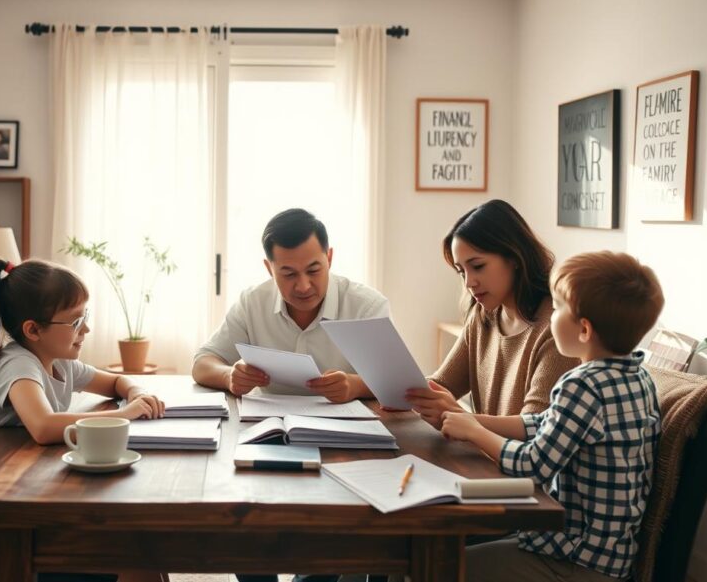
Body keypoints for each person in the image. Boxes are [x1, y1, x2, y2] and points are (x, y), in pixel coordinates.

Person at [441, 251, 664, 581]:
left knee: (436, 565)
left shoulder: (582, 385)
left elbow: (533, 466)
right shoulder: (637, 378)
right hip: (609, 557)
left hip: (573, 561)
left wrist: (475, 433)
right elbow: (547, 425)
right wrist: (473, 421)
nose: (551, 316)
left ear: (584, 330)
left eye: (558, 309)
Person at [0, 258, 168, 582]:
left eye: (85, 317)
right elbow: (44, 426)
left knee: (146, 544)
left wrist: (134, 391)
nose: (86, 330)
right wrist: (123, 414)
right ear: (33, 330)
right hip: (3, 521)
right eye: (75, 322)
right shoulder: (18, 365)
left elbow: (116, 382)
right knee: (139, 552)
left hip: (33, 494)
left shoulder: (58, 361)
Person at [407, 199, 579, 428]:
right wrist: (361, 385)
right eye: (461, 271)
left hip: (516, 462)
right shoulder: (483, 316)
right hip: (484, 458)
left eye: (477, 266)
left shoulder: (557, 328)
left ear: (515, 257)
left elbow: (534, 428)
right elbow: (442, 385)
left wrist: (459, 416)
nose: (469, 282)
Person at [193, 208, 390, 404]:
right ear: (269, 268)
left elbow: (395, 380)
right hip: (269, 426)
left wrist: (356, 386)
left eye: (313, 270)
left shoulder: (366, 306)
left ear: (329, 258)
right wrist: (229, 376)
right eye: (289, 274)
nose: (303, 286)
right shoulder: (253, 302)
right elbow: (202, 363)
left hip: (349, 428)